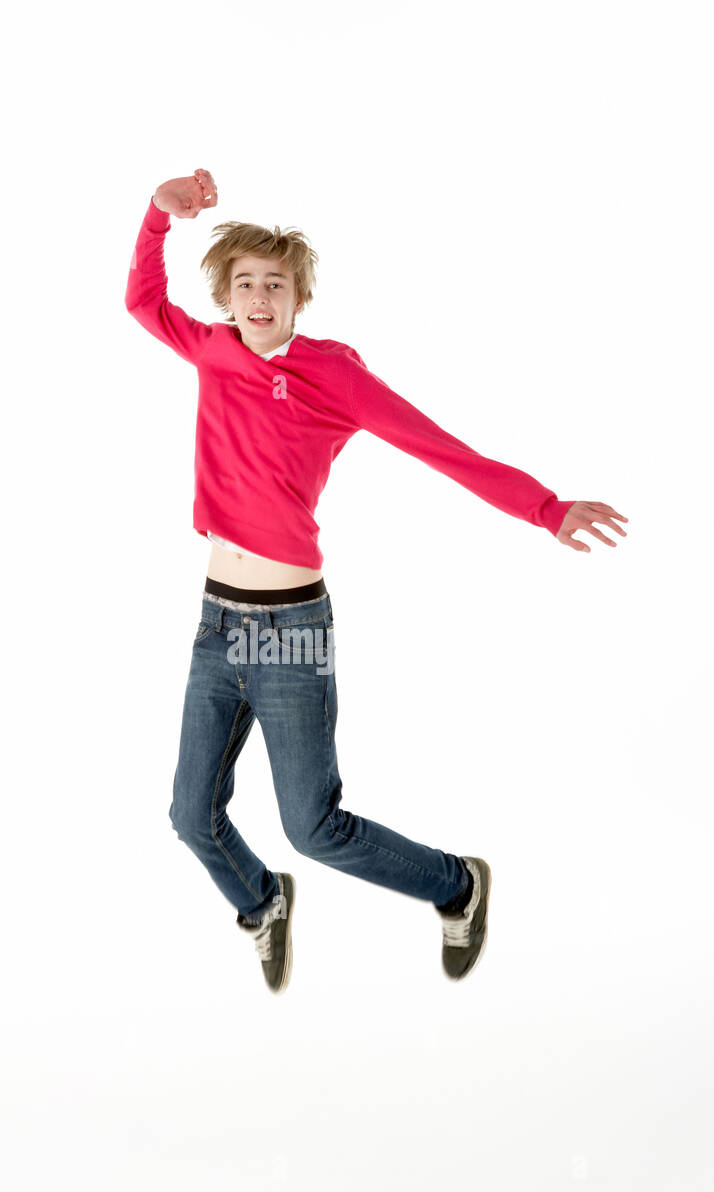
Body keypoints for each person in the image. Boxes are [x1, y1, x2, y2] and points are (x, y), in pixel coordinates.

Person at [124, 167, 628, 995]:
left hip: (289, 630)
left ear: (297, 298)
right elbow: (144, 302)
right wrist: (156, 214)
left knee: (313, 829)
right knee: (190, 816)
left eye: (275, 286)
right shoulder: (211, 350)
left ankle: (456, 884)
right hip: (217, 625)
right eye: (245, 284)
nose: (259, 298)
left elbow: (442, 449)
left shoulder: (335, 375)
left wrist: (546, 508)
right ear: (225, 295)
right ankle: (260, 904)